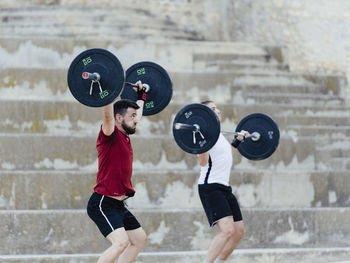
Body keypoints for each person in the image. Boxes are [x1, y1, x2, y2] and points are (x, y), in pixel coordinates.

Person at [87, 81, 148, 263]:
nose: (136, 120)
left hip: (118, 204)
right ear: (119, 119)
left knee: (139, 239)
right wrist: (107, 92)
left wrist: (141, 96)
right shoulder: (110, 135)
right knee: (120, 243)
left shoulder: (126, 134)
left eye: (136, 116)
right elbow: (107, 117)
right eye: (132, 116)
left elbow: (137, 115)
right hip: (103, 203)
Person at [198, 100, 248, 263]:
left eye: (217, 108)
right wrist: (202, 143)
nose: (218, 111)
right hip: (210, 187)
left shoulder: (219, 135)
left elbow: (226, 156)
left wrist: (238, 140)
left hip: (224, 187)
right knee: (227, 230)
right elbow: (202, 162)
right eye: (212, 109)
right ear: (205, 116)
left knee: (238, 231)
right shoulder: (204, 135)